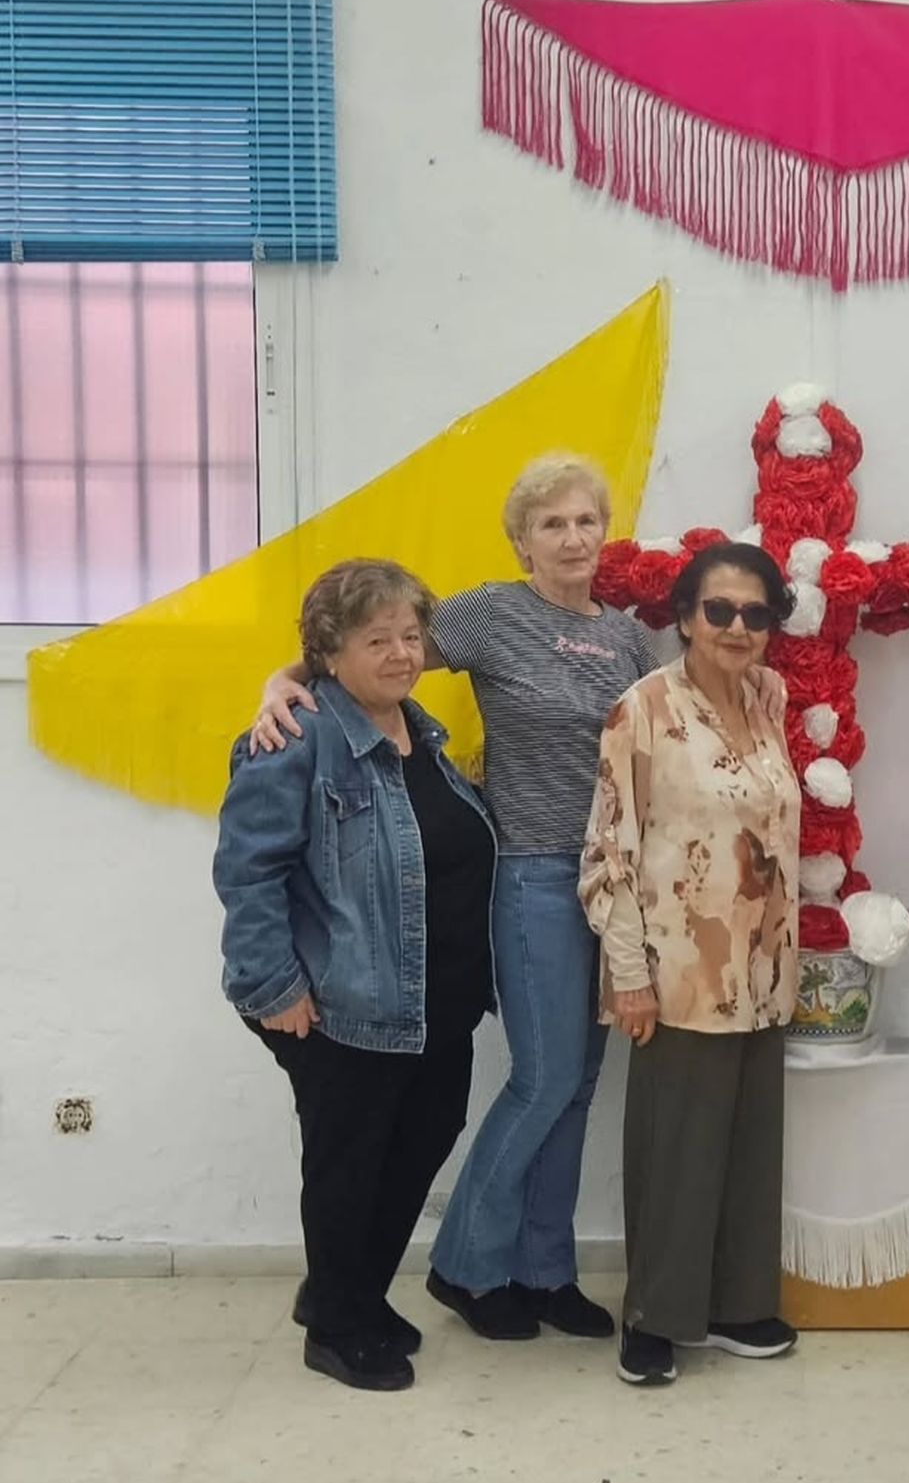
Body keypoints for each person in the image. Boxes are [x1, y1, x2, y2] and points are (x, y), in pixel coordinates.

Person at [252, 455, 655, 1342]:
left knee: (580, 1084)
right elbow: (368, 654)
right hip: (533, 876)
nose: (573, 536)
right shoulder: (489, 614)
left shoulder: (630, 638)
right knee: (544, 1077)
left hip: (612, 883)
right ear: (521, 540)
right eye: (552, 523)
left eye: (586, 519)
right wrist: (282, 682)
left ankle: (546, 1269)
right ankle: (468, 1266)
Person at [214, 560, 497, 1392]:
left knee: (423, 1138)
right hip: (343, 1001)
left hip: (432, 1005)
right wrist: (274, 988)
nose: (402, 654)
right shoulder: (294, 737)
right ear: (329, 653)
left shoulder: (423, 734)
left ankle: (350, 1293)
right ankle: (338, 1327)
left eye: (411, 636)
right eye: (378, 640)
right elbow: (248, 872)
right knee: (349, 1163)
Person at [580, 542, 801, 1388]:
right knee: (677, 1148)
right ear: (684, 618)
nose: (737, 627)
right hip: (678, 967)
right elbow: (610, 851)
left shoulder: (769, 697)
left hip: (765, 967)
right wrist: (628, 972)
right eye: (720, 610)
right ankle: (656, 1316)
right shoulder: (640, 709)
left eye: (755, 612)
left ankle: (740, 1305)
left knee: (749, 1146)